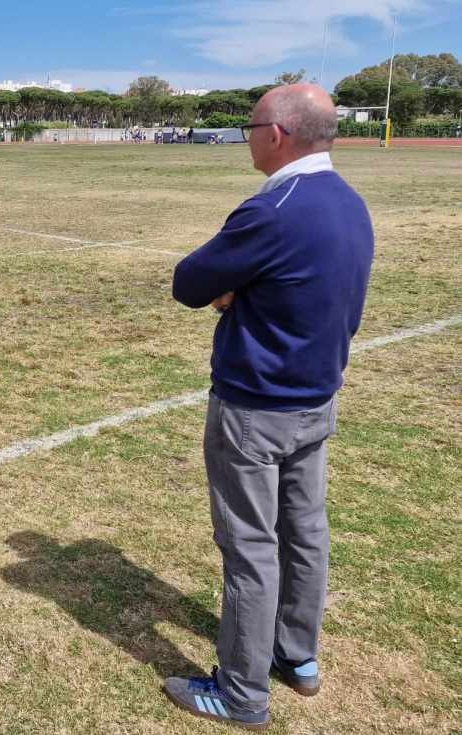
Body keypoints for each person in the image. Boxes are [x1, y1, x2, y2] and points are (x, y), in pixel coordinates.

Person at [166, 84, 373, 731]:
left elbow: (189, 282)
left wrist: (233, 295)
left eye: (251, 124)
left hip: (256, 408)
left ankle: (241, 692)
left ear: (277, 133)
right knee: (305, 530)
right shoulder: (351, 203)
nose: (247, 134)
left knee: (251, 547)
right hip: (316, 399)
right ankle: (296, 654)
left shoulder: (274, 207)